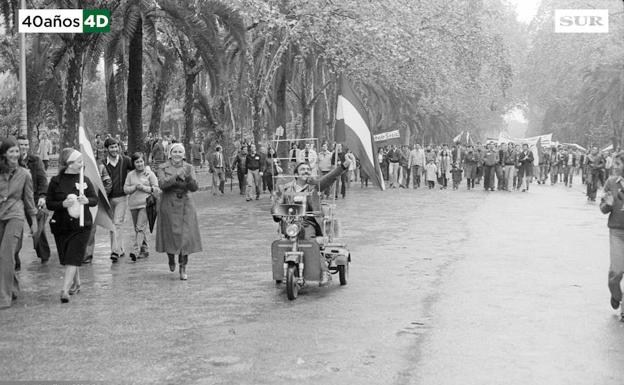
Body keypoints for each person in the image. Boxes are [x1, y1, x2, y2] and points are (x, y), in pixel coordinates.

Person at [271, 159, 351, 285]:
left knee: (309, 241)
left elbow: (329, 177)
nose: (306, 171)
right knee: (283, 242)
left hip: (308, 222)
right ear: (296, 174)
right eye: (303, 169)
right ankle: (282, 269)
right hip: (290, 222)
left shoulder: (315, 186)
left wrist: (342, 166)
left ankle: (325, 272)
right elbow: (277, 204)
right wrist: (277, 213)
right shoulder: (285, 188)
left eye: (308, 170)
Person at [46, 148, 98, 303]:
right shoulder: (56, 181)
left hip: (82, 225)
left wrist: (86, 201)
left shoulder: (85, 179)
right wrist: (63, 203)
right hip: (62, 225)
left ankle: (65, 290)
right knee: (68, 256)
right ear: (69, 163)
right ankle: (76, 282)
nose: (82, 163)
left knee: (73, 256)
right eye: (78, 161)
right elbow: (49, 203)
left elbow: (94, 199)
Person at [156, 143, 202, 280]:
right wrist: (176, 176)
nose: (177, 154)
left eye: (180, 152)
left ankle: (183, 267)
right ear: (170, 154)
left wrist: (188, 178)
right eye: (174, 151)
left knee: (185, 238)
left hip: (186, 204)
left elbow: (194, 188)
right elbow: (162, 184)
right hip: (169, 204)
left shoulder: (189, 167)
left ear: (184, 154)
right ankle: (171, 257)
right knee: (171, 235)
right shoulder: (162, 167)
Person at [0, 137, 37, 309]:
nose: (15, 154)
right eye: (11, 151)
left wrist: (34, 221)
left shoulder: (25, 174)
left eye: (17, 151)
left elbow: (29, 200)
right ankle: (13, 287)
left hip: (16, 215)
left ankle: (4, 297)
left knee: (6, 255)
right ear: (4, 154)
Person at [13, 135, 49, 269]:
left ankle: (44, 256)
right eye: (21, 144)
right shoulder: (10, 160)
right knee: (15, 231)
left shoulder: (35, 160)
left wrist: (42, 196)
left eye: (26, 144)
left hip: (32, 199)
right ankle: (15, 260)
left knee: (38, 229)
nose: (24, 147)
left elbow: (42, 180)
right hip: (15, 201)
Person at [600, 152, 624, 320]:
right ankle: (616, 295)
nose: (614, 166)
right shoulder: (610, 182)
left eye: (618, 163)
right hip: (617, 232)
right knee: (616, 272)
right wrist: (607, 205)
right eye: (614, 163)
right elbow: (603, 208)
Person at [124, 152, 160, 261]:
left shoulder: (150, 174)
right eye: (137, 162)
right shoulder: (130, 175)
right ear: (133, 163)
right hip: (133, 206)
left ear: (144, 161)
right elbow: (125, 189)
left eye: (141, 161)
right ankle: (145, 250)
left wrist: (144, 188)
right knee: (138, 229)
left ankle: (135, 251)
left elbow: (157, 190)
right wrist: (135, 187)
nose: (139, 164)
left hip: (146, 205)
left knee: (140, 227)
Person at [103, 137, 134, 262]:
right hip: (107, 198)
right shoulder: (102, 163)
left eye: (116, 146)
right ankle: (118, 249)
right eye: (112, 147)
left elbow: (138, 168)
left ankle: (115, 251)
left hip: (121, 197)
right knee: (112, 225)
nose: (114, 149)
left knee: (117, 223)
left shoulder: (125, 160)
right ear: (107, 149)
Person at [83, 161, 112, 264]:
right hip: (79, 203)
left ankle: (87, 255)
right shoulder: (75, 166)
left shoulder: (100, 167)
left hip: (94, 203)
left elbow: (108, 183)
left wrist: (101, 196)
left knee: (91, 229)